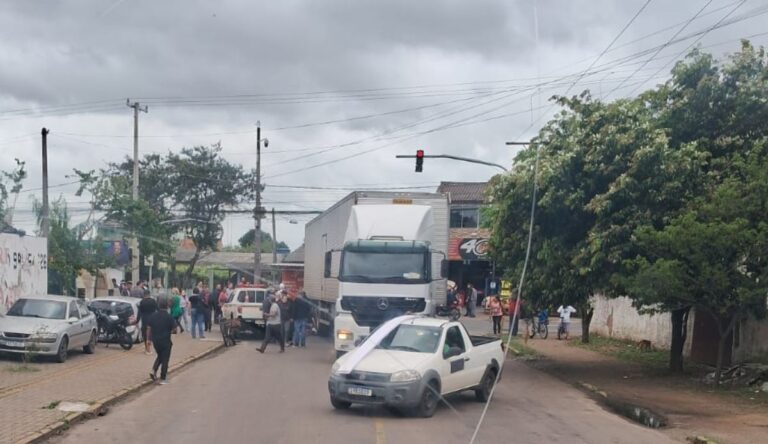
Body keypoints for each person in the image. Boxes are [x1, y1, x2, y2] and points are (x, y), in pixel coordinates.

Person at [145, 298, 175, 385]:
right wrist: (169, 330)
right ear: (167, 306)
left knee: (160, 356)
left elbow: (148, 328)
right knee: (165, 359)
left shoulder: (153, 316)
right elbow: (174, 329)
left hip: (156, 341)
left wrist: (148, 339)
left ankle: (153, 370)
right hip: (165, 340)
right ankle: (163, 378)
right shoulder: (169, 317)